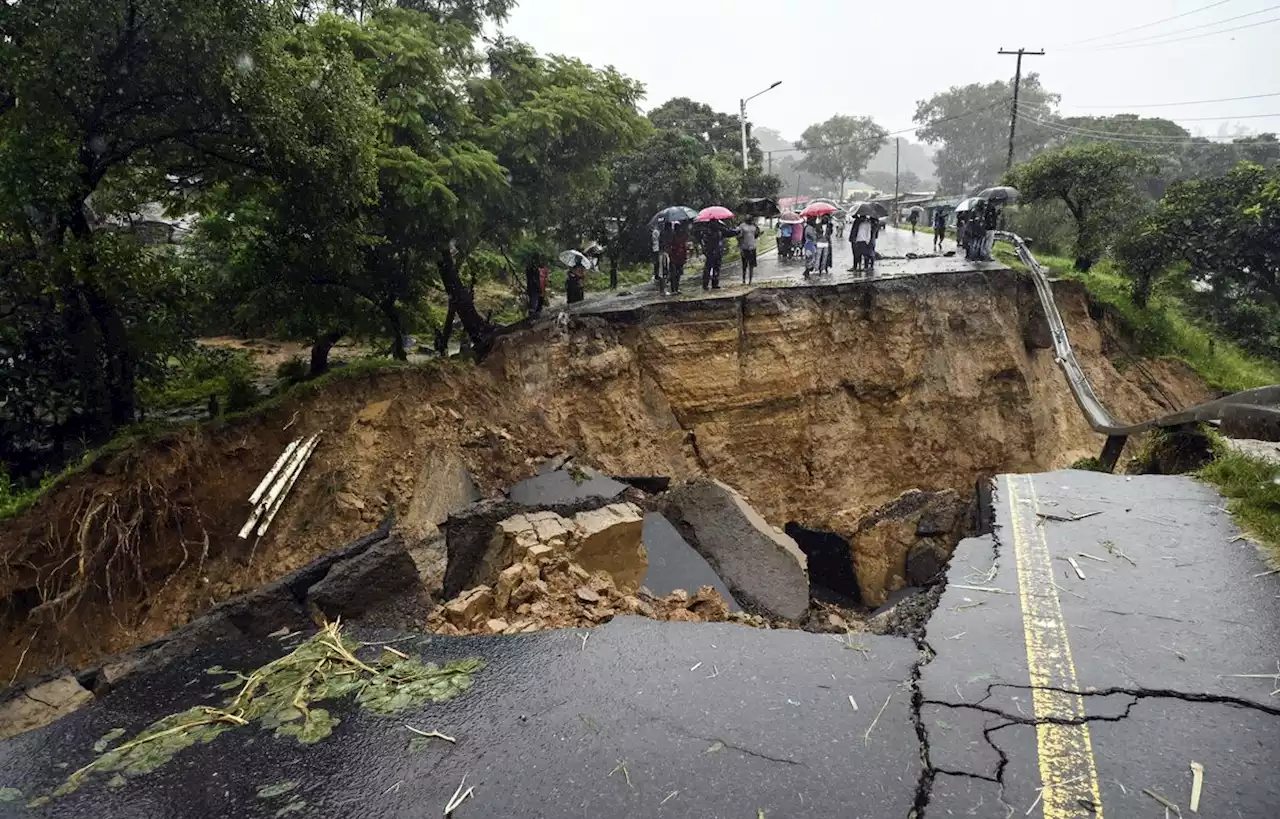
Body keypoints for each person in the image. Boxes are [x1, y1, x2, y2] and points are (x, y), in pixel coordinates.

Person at [699, 219, 736, 290]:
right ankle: (706, 284)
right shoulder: (707, 231)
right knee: (709, 268)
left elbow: (728, 233)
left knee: (716, 268)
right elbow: (704, 241)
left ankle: (714, 283)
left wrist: (736, 231)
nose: (716, 225)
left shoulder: (719, 230)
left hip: (717, 251)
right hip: (711, 252)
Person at [664, 221, 689, 295]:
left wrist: (685, 257)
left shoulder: (681, 236)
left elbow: (684, 247)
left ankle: (676, 288)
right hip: (674, 258)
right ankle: (673, 289)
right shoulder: (672, 237)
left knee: (678, 274)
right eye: (676, 227)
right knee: (674, 274)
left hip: (680, 258)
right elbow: (669, 247)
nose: (678, 229)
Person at [738, 216, 761, 284]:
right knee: (744, 265)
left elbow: (756, 234)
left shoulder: (754, 226)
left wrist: (758, 230)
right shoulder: (742, 226)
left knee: (751, 265)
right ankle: (744, 280)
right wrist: (740, 247)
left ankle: (750, 280)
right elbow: (739, 237)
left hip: (752, 247)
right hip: (744, 247)